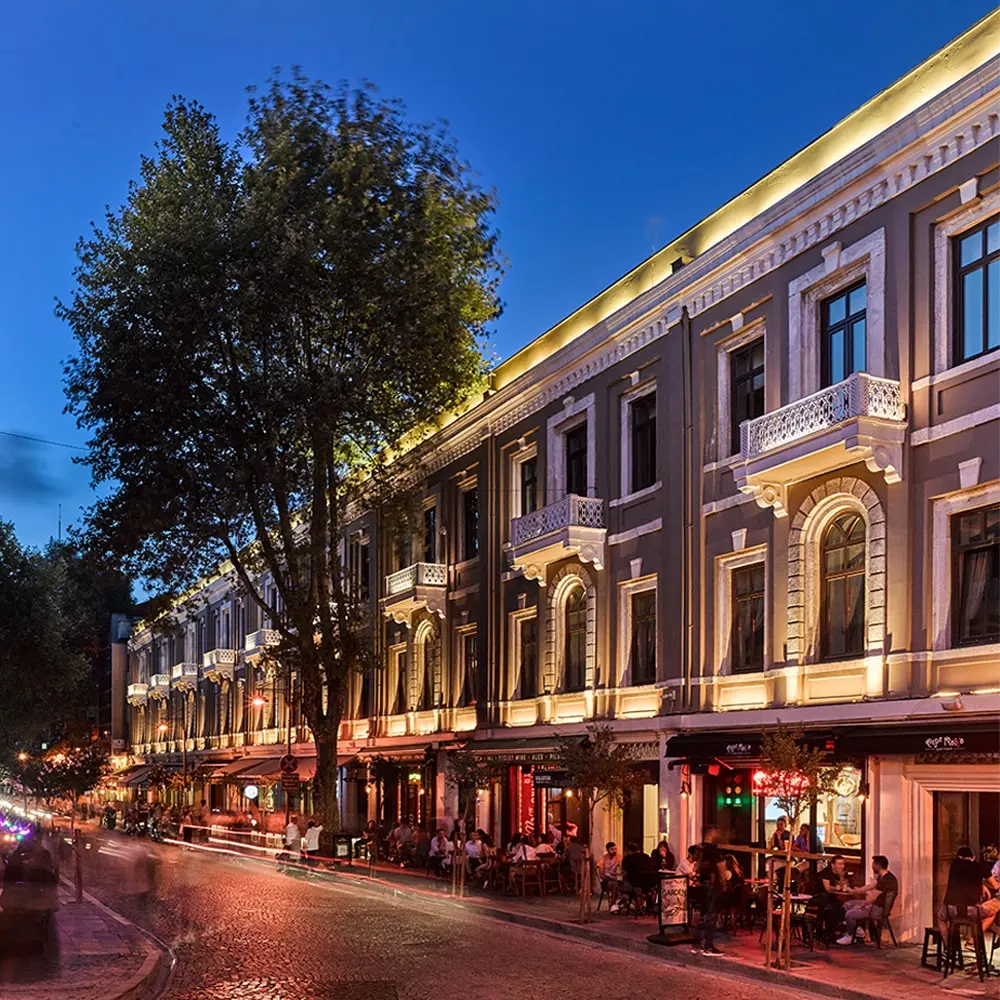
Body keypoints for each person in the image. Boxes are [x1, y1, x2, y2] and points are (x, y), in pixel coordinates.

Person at [938, 846, 1000, 939]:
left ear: (958, 857)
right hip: (971, 910)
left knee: (940, 919)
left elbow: (965, 878)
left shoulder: (954, 865)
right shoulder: (979, 867)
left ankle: (949, 948)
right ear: (973, 857)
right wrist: (983, 883)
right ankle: (973, 940)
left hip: (950, 909)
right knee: (991, 913)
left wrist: (981, 884)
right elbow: (996, 886)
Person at [836, 855, 898, 945]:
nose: (872, 866)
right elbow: (870, 886)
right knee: (847, 905)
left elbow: (873, 896)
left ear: (878, 865)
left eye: (873, 864)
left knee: (850, 914)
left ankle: (849, 935)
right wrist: (855, 891)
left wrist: (863, 905)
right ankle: (857, 930)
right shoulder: (882, 876)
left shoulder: (887, 879)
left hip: (878, 909)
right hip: (875, 906)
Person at [692, 825, 726, 956]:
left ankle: (697, 944)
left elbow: (696, 865)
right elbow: (720, 865)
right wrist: (723, 882)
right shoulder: (713, 849)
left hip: (702, 884)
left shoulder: (700, 848)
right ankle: (708, 946)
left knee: (701, 914)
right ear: (712, 832)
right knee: (711, 916)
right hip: (712, 885)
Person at [818, 855, 854, 939]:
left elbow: (842, 885)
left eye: (843, 864)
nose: (842, 866)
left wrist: (842, 876)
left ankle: (837, 931)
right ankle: (830, 933)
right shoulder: (826, 873)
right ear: (832, 865)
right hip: (820, 898)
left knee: (845, 906)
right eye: (839, 864)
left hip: (832, 898)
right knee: (837, 908)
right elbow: (827, 888)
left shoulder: (839, 873)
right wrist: (836, 888)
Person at [620, 841, 657, 913]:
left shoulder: (627, 859)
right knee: (649, 889)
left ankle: (636, 905)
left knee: (623, 887)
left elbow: (624, 871)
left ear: (629, 851)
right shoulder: (646, 857)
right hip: (649, 883)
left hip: (634, 882)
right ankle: (647, 906)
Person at [597, 842, 622, 911]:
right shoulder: (603, 858)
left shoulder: (618, 857)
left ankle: (614, 905)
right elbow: (601, 874)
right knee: (613, 884)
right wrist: (608, 878)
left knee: (618, 884)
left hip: (615, 879)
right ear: (608, 850)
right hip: (605, 880)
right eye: (612, 849)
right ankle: (613, 905)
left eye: (615, 849)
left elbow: (622, 868)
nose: (614, 851)